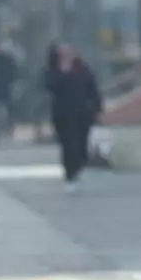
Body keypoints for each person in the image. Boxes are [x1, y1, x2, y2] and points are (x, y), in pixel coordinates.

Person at [44, 43, 102, 193]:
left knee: (82, 146)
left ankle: (78, 167)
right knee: (68, 145)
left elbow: (92, 88)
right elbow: (50, 86)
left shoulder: (82, 69)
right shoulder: (54, 70)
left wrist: (97, 106)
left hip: (82, 113)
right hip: (63, 114)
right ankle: (69, 175)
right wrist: (63, 73)